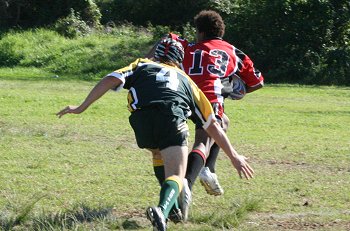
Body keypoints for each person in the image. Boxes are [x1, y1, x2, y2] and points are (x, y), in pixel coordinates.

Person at [57, 38, 254, 231]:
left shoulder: (141, 64)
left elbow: (111, 79)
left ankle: (173, 210)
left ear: (157, 54)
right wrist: (234, 156)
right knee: (177, 174)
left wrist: (81, 107)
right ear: (180, 60)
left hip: (141, 122)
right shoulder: (188, 81)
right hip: (170, 118)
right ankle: (161, 210)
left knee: (158, 154)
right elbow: (213, 126)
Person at [147, 10, 264, 220]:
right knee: (205, 139)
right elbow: (257, 82)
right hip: (209, 98)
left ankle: (208, 168)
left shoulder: (188, 47)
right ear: (221, 31)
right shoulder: (234, 52)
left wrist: (148, 59)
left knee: (223, 123)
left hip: (183, 94)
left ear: (200, 33)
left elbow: (167, 39)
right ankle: (187, 184)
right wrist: (232, 88)